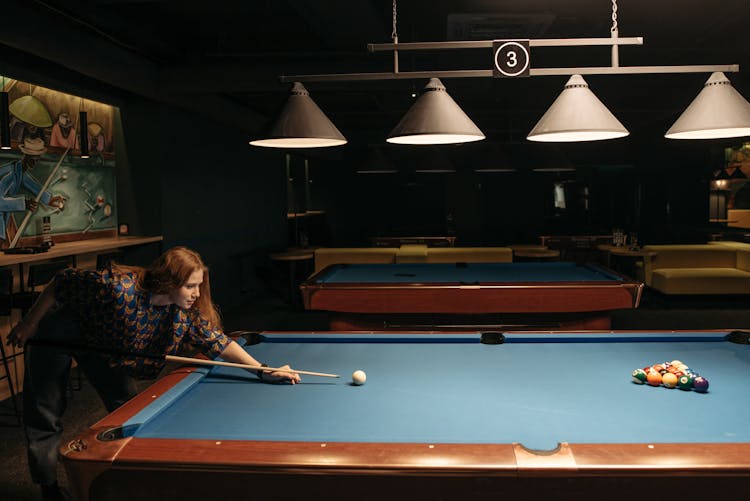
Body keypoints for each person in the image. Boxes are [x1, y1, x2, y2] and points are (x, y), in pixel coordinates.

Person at [7, 246, 300, 501]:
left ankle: (131, 474)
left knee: (127, 406)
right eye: (190, 286)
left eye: (199, 285)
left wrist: (263, 371)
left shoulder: (183, 312)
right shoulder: (119, 288)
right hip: (58, 334)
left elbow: (217, 342)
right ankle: (48, 487)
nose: (197, 294)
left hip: (101, 345)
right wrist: (29, 325)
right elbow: (62, 281)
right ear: (169, 282)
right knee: (45, 411)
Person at [0, 137, 66, 244]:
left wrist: (49, 199)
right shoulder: (9, 174)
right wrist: (24, 203)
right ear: (26, 157)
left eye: (37, 159)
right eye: (32, 159)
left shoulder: (19, 171)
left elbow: (33, 186)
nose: (35, 163)